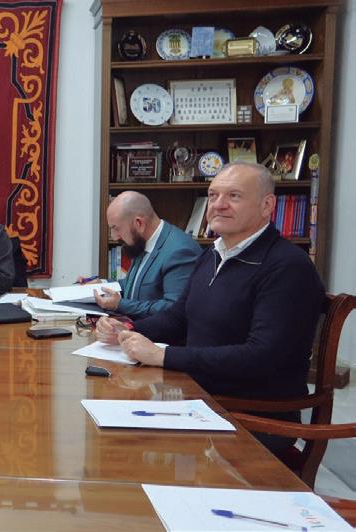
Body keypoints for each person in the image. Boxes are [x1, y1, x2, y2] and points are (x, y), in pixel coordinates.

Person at [96, 163, 324, 450]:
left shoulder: (288, 267)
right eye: (213, 195)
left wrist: (163, 355)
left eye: (234, 196)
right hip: (197, 397)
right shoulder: (212, 255)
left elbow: (261, 357)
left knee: (123, 448)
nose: (218, 205)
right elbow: (179, 317)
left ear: (267, 205)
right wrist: (127, 329)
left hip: (250, 417)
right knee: (105, 423)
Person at [86, 191, 200, 318]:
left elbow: (173, 309)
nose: (114, 237)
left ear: (139, 224)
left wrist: (120, 305)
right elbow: (135, 286)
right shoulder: (142, 241)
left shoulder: (180, 252)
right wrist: (101, 285)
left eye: (116, 228)